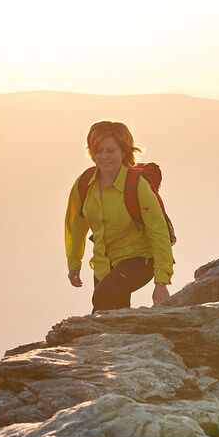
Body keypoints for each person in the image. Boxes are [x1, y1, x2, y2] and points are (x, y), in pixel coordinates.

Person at [65, 120, 173, 311]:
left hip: (140, 260)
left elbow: (159, 233)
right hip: (103, 265)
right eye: (98, 150)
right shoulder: (84, 184)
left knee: (103, 295)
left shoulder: (137, 186)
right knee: (110, 313)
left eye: (110, 150)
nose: (104, 156)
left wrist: (161, 283)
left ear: (124, 152)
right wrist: (74, 264)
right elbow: (76, 226)